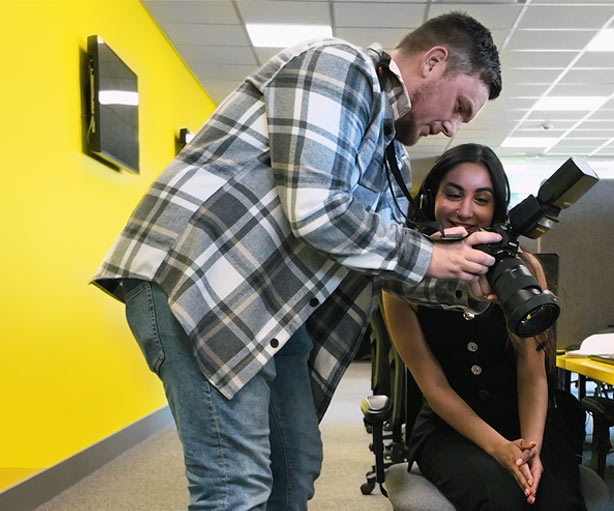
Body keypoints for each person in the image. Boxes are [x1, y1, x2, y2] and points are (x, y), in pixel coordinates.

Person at [91, 12, 504, 511]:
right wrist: (435, 255)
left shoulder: (389, 152)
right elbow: (318, 209)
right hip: (203, 284)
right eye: (460, 107)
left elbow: (383, 260)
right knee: (234, 485)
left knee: (294, 470)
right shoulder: (338, 67)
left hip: (273, 309)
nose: (450, 129)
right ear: (434, 62)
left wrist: (466, 283)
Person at [382, 143, 587, 510]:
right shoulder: (404, 281)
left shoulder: (523, 268)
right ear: (431, 199)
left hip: (526, 421)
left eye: (482, 198)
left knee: (557, 502)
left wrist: (529, 447)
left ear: (496, 210)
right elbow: (435, 388)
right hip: (451, 430)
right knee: (501, 501)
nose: (464, 211)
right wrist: (499, 449)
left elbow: (532, 373)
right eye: (453, 194)